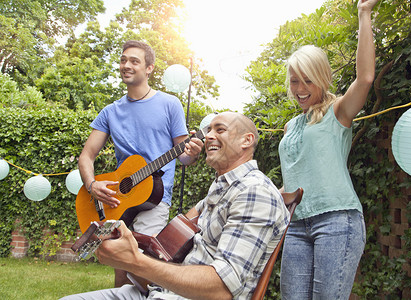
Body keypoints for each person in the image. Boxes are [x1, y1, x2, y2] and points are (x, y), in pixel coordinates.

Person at [62, 112, 290, 300]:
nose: (208, 136)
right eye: (208, 130)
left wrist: (134, 261)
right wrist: (127, 239)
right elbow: (169, 244)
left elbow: (222, 289)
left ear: (246, 140)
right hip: (162, 291)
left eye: (219, 130)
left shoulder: (254, 192)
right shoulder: (222, 187)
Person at [78, 40, 202, 287]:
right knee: (120, 266)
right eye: (124, 60)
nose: (127, 65)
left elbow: (184, 156)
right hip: (117, 197)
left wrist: (194, 152)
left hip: (154, 196)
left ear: (149, 68)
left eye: (134, 61)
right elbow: (86, 156)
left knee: (144, 268)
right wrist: (92, 186)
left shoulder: (169, 104)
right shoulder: (110, 112)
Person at [278, 0, 379, 299]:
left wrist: (364, 13)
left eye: (308, 80)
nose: (300, 88)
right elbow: (293, 178)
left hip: (337, 220)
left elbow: (365, 78)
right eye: (295, 80)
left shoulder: (338, 112)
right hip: (296, 225)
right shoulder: (289, 127)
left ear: (321, 78)